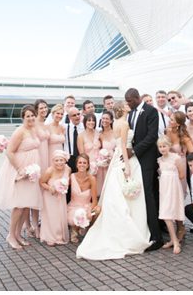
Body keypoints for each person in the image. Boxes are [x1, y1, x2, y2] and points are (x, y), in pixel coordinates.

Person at [76, 101, 151, 260]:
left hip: (116, 158)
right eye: (125, 104)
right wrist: (127, 165)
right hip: (124, 159)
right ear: (122, 108)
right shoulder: (123, 123)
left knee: (118, 193)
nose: (128, 105)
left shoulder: (117, 122)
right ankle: (131, 230)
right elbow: (123, 145)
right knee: (124, 193)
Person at [0, 105, 42, 250]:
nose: (31, 118)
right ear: (23, 117)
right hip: (21, 171)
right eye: (27, 116)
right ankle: (11, 235)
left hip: (31, 171)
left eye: (32, 115)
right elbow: (10, 152)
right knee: (18, 205)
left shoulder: (34, 130)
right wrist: (20, 170)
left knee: (26, 205)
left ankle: (18, 234)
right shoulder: (20, 131)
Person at [125, 88, 163, 250]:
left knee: (148, 194)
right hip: (133, 160)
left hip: (147, 159)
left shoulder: (151, 111)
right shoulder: (130, 114)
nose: (128, 104)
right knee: (137, 194)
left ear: (136, 98)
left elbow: (152, 136)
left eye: (130, 101)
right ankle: (142, 229)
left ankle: (156, 237)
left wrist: (134, 150)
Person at [27, 99, 51, 238]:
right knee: (34, 193)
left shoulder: (46, 124)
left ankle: (39, 222)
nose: (43, 110)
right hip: (37, 160)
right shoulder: (33, 123)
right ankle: (34, 225)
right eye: (41, 108)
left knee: (41, 193)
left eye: (45, 107)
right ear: (36, 110)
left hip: (46, 159)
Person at [157, 136, 185, 254]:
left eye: (164, 146)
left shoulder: (176, 158)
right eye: (160, 147)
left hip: (174, 188)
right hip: (164, 188)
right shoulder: (159, 160)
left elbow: (182, 174)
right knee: (165, 214)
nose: (162, 149)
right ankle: (174, 240)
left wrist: (172, 181)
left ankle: (175, 240)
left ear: (169, 146)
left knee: (172, 212)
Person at [39, 149, 70, 246]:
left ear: (65, 160)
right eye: (56, 160)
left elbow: (68, 181)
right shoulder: (49, 171)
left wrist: (65, 186)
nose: (59, 162)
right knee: (52, 216)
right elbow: (41, 182)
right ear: (53, 161)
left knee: (60, 216)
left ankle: (59, 236)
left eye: (61, 160)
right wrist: (49, 188)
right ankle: (50, 237)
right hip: (50, 196)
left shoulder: (68, 169)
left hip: (61, 196)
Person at [66, 154, 99, 244]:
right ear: (76, 165)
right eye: (80, 162)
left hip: (87, 206)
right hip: (73, 207)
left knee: (97, 210)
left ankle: (85, 227)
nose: (82, 165)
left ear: (88, 165)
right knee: (77, 214)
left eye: (84, 163)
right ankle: (75, 229)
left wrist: (89, 212)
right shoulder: (72, 177)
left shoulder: (92, 179)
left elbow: (94, 200)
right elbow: (63, 187)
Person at [95, 110, 116, 197]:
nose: (104, 120)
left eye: (107, 119)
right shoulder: (100, 134)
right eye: (103, 118)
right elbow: (98, 148)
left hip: (114, 161)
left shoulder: (116, 132)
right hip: (104, 163)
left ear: (111, 121)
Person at [63, 107, 82, 174]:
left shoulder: (85, 127)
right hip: (69, 159)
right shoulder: (64, 127)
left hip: (81, 158)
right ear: (69, 117)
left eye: (78, 114)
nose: (77, 116)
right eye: (74, 115)